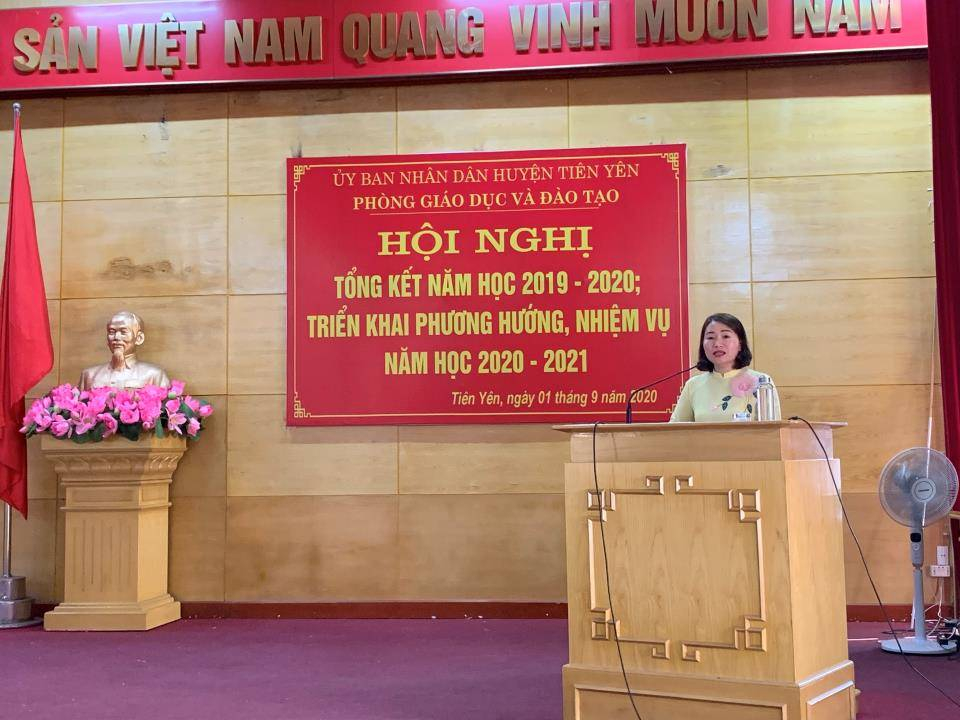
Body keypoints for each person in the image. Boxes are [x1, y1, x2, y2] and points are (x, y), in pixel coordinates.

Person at [669, 313, 780, 423]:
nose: (717, 344)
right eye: (710, 337)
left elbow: (773, 430)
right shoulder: (693, 385)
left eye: (725, 336)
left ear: (740, 344)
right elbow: (674, 430)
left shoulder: (762, 382)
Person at [78, 311, 170, 391]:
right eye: (112, 332)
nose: (116, 337)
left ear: (139, 338)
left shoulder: (155, 375)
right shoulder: (89, 375)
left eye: (123, 332)